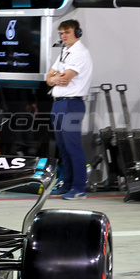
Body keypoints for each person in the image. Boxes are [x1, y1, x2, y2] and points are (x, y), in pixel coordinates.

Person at [45, 19, 93, 200]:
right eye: (61, 33)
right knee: (63, 147)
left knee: (73, 147)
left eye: (67, 32)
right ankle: (67, 183)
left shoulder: (79, 53)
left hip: (71, 104)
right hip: (58, 102)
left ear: (77, 33)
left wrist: (55, 77)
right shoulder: (65, 52)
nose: (64, 36)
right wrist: (55, 77)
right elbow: (49, 78)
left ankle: (79, 187)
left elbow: (65, 77)